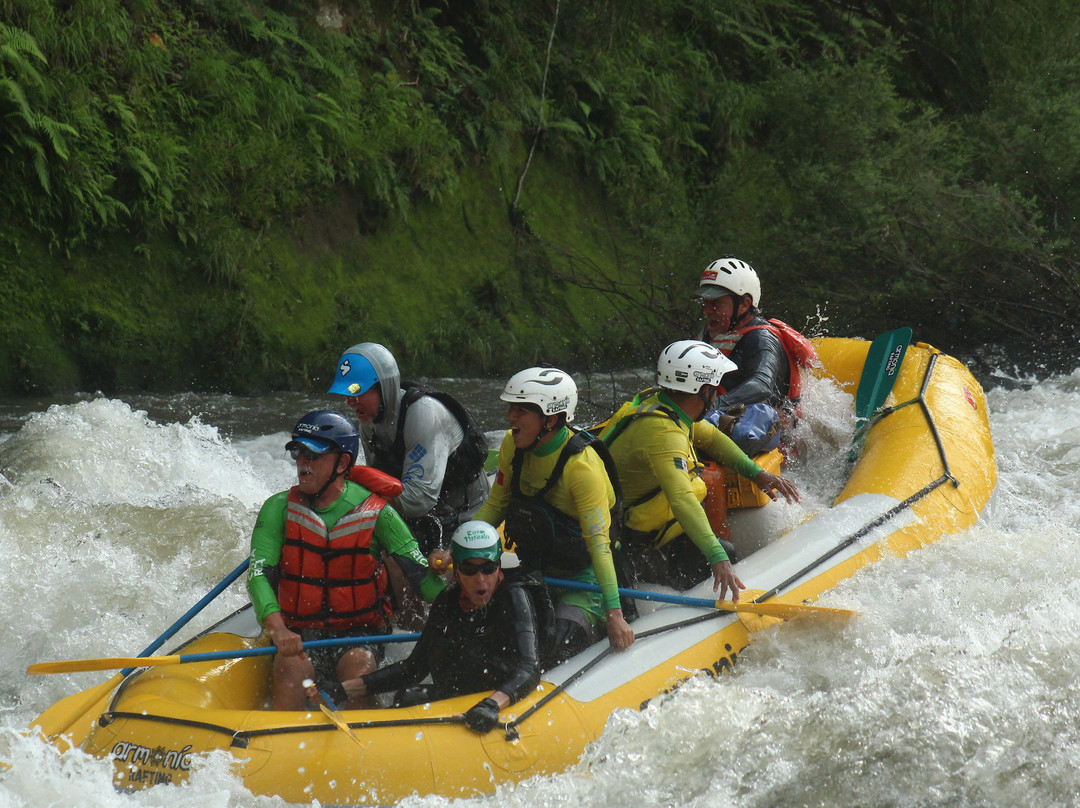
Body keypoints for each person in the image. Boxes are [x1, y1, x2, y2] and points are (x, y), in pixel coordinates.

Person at [246, 410, 446, 711]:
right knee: (290, 670)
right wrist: (278, 629)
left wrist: (463, 601)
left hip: (360, 631)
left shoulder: (379, 513)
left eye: (313, 455)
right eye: (298, 452)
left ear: (342, 463)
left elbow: (422, 578)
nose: (303, 462)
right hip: (299, 632)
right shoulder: (277, 508)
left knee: (358, 667)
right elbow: (258, 574)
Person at [600, 341, 801, 597]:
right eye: (715, 388)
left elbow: (713, 439)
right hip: (624, 542)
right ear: (705, 390)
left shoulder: (662, 404)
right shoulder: (663, 434)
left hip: (639, 525)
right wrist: (717, 558)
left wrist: (757, 474)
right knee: (722, 550)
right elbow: (682, 499)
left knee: (717, 543)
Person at [468, 367, 635, 663]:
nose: (510, 418)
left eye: (522, 411)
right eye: (511, 408)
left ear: (551, 419)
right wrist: (462, 546)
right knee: (493, 642)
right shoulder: (511, 444)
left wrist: (614, 614)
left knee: (553, 652)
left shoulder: (582, 469)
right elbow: (496, 506)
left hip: (587, 579)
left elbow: (599, 545)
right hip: (537, 570)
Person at [343, 521, 549, 733]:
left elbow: (529, 669)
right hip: (460, 694)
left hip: (499, 696)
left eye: (488, 569)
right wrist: (345, 690)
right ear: (456, 571)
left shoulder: (514, 597)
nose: (481, 580)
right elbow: (413, 668)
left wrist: (492, 704)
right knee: (407, 697)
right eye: (470, 569)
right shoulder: (447, 601)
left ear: (498, 567)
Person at [328, 342, 490, 555]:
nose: (349, 401)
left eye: (356, 390)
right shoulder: (369, 426)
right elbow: (382, 490)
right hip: (423, 518)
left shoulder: (424, 415)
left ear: (384, 386)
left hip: (466, 516)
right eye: (346, 393)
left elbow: (417, 501)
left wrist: (361, 485)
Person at [693, 256, 817, 447]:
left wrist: (711, 406)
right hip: (723, 417)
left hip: (764, 431)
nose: (707, 310)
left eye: (716, 303)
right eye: (706, 302)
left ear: (744, 304)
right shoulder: (711, 334)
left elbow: (762, 385)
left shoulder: (761, 338)